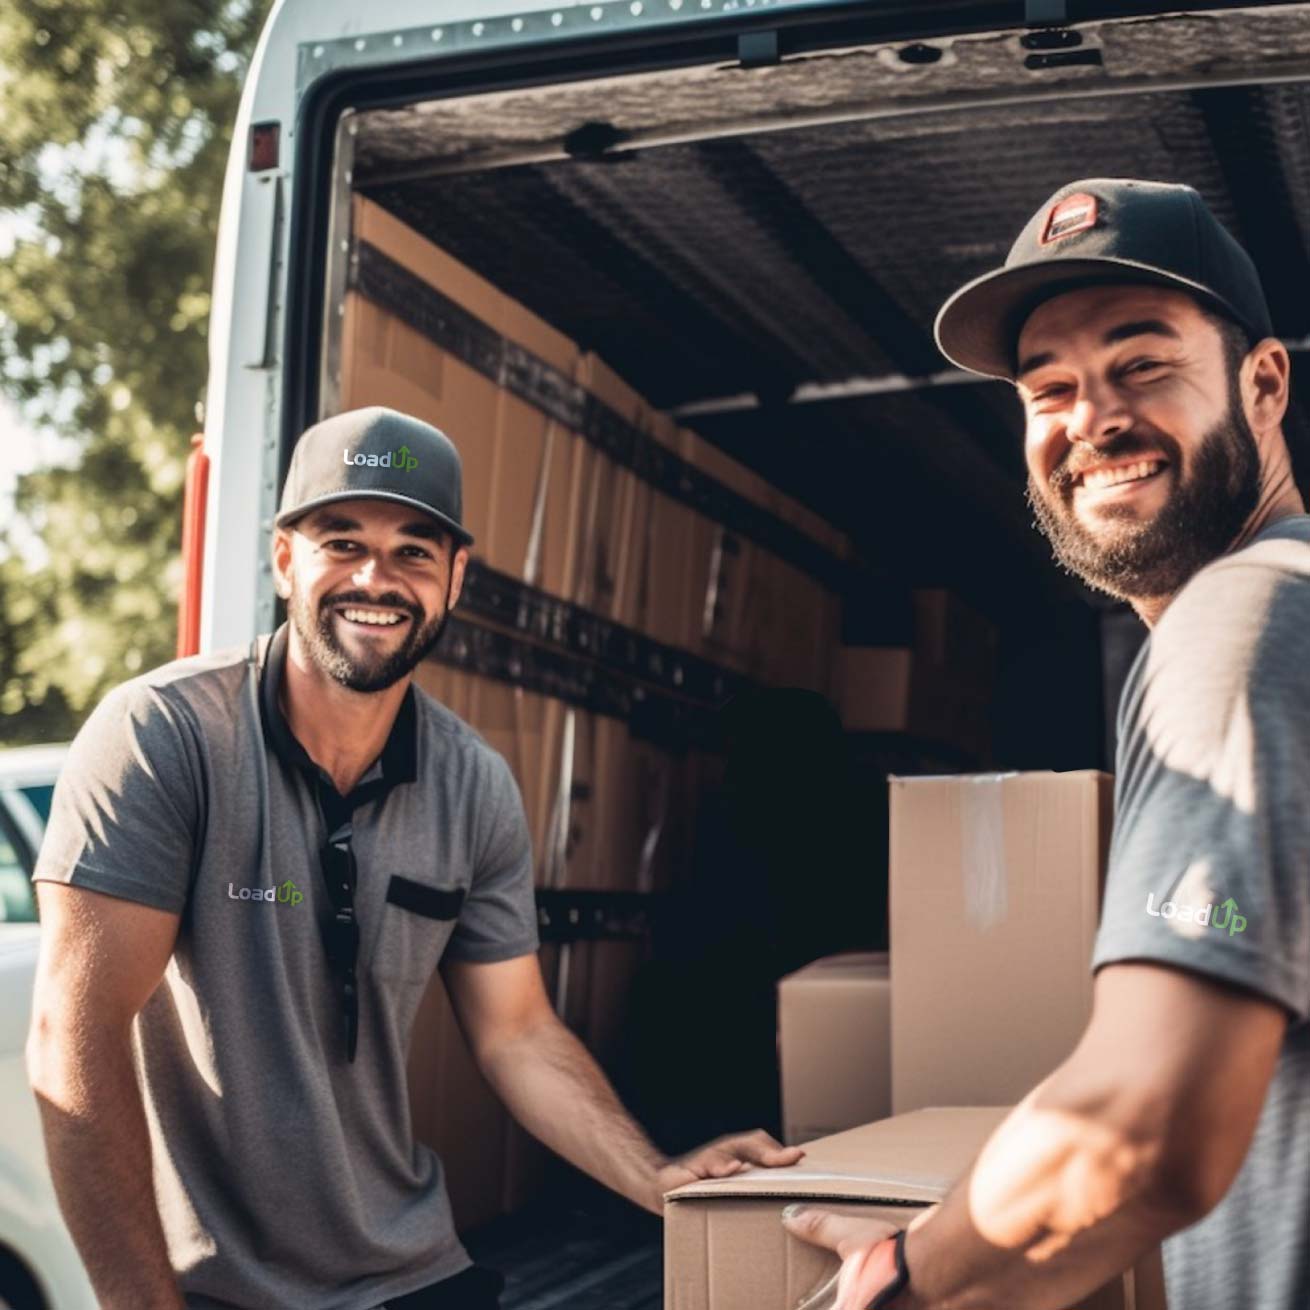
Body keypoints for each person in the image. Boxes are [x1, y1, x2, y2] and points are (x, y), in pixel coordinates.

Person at [25, 406, 802, 1310]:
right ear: (285, 560)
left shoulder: (474, 784)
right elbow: (72, 1038)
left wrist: (659, 1178)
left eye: (413, 553)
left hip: (413, 1271)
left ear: (455, 580)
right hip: (215, 1289)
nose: (374, 578)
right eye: (341, 541)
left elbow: (517, 1033)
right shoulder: (164, 737)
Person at [784, 178, 1310, 1308]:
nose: (1090, 421)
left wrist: (899, 1278)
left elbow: (1143, 1123)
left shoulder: (1242, 621)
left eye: (1139, 364)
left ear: (1262, 382)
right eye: (1049, 388)